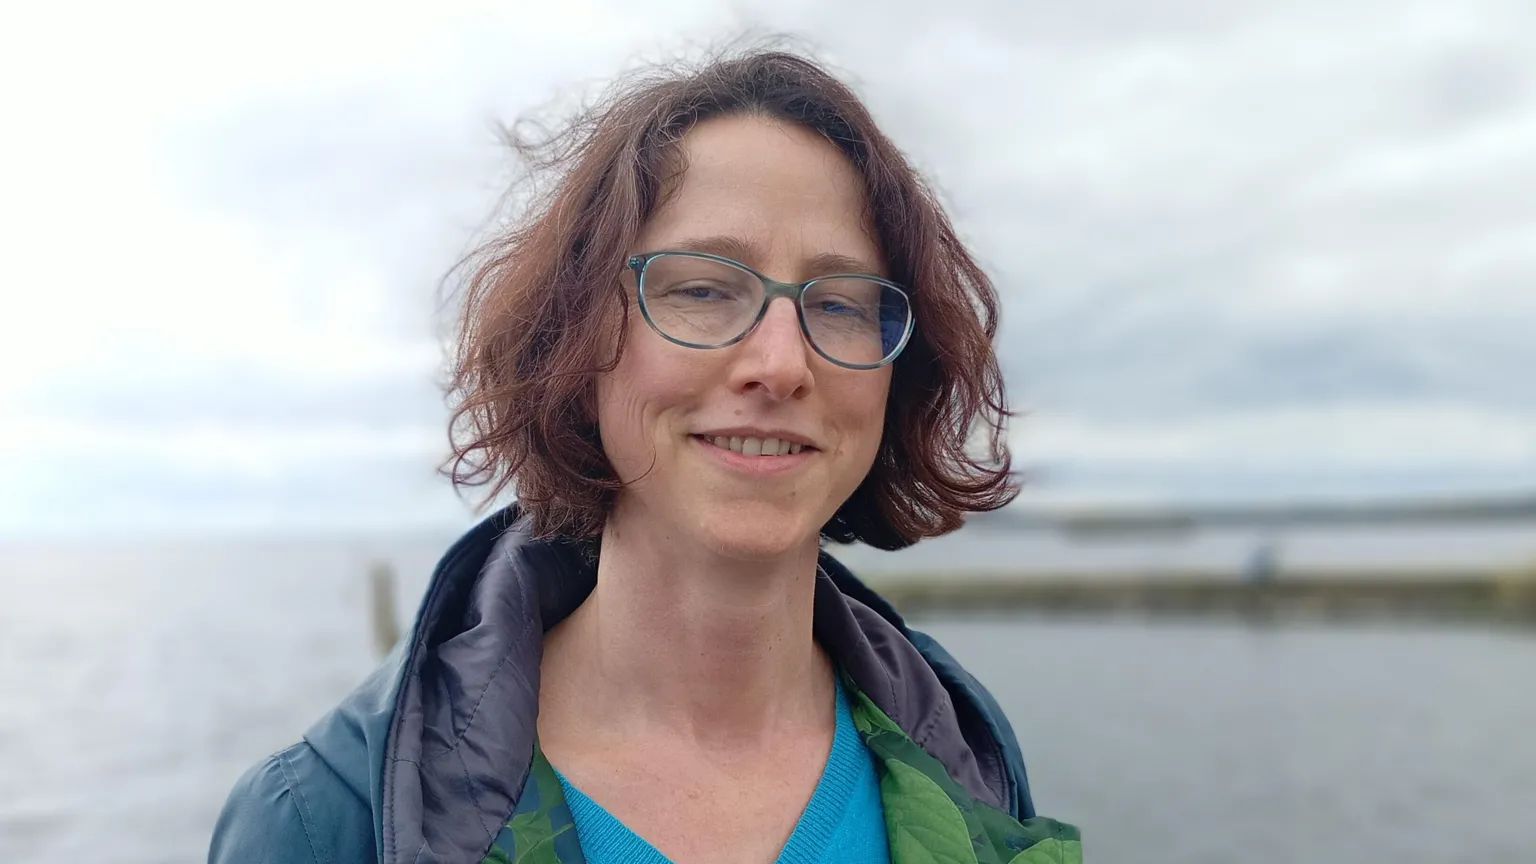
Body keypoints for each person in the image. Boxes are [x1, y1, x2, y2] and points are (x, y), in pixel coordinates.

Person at [209, 46, 1081, 864]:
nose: (782, 363)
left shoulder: (963, 753)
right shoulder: (326, 820)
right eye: (702, 288)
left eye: (842, 305)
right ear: (575, 335)